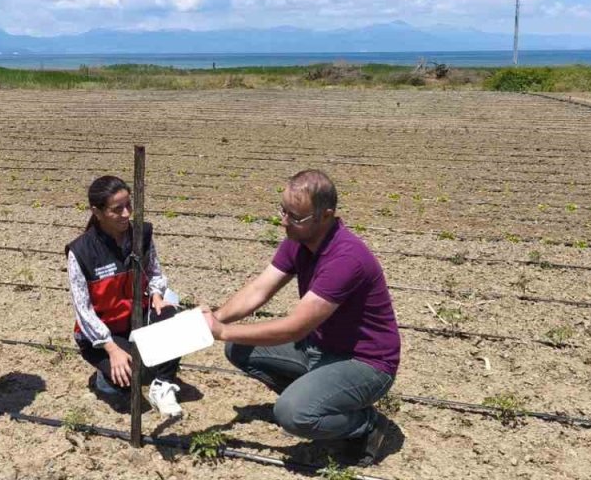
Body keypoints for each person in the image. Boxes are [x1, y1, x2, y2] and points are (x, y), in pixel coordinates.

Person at [202, 169, 399, 466]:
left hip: (366, 363)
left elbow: (295, 327)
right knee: (239, 348)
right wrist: (216, 317)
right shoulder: (299, 240)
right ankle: (316, 397)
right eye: (283, 210)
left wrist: (223, 331)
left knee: (292, 414)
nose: (284, 221)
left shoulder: (346, 258)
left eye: (295, 216)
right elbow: (259, 289)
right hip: (319, 348)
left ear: (326, 215)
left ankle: (366, 425)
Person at [66, 175, 183, 417]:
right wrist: (111, 349)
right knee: (130, 375)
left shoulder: (142, 234)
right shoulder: (81, 251)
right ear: (97, 212)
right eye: (117, 209)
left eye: (129, 205)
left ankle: (162, 385)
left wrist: (157, 296)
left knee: (174, 319)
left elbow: (154, 272)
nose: (126, 213)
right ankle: (104, 379)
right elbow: (83, 310)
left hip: (134, 320)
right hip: (102, 334)